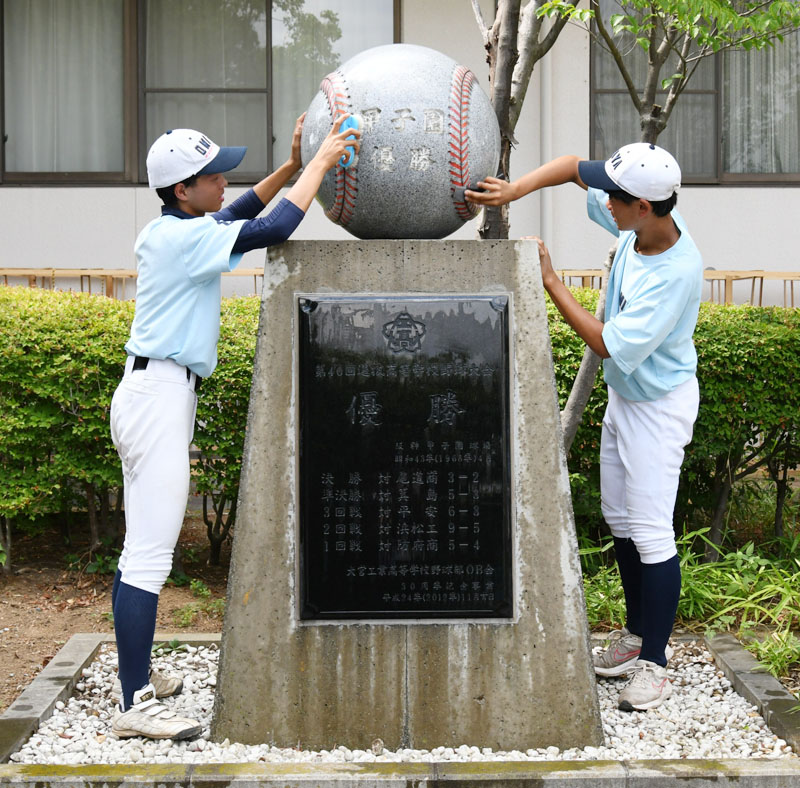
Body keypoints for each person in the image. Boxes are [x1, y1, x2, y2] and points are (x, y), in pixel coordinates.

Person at [108, 114, 360, 740]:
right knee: (149, 557)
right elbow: (271, 228)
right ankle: (135, 704)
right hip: (158, 398)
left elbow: (244, 211)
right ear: (182, 189)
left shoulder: (175, 228)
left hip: (152, 392)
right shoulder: (183, 239)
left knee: (138, 551)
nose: (225, 182)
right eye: (212, 176)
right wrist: (321, 163)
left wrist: (292, 165)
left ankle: (135, 677)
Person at [466, 143, 702, 712]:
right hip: (629, 398)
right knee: (621, 521)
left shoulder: (673, 273)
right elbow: (573, 167)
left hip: (659, 407)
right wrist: (514, 190)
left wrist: (551, 280)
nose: (604, 202)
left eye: (614, 198)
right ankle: (636, 635)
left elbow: (606, 343)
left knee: (651, 532)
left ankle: (655, 664)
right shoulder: (641, 225)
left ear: (643, 206)